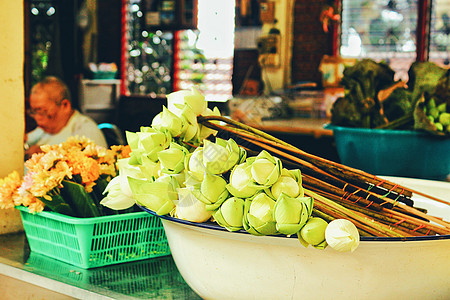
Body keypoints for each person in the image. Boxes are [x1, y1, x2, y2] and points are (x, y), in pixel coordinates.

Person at [25, 76, 107, 158]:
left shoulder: (86, 131)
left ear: (65, 105)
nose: (37, 118)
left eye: (42, 111)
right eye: (34, 112)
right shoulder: (44, 129)